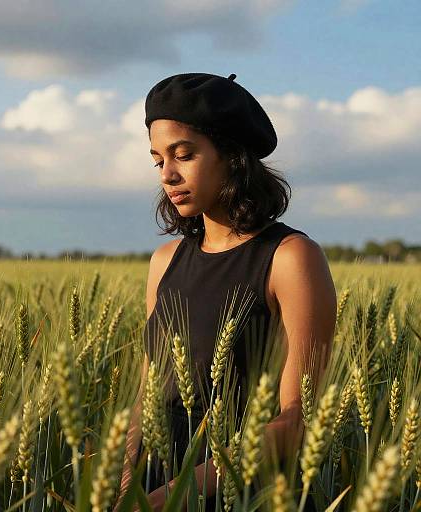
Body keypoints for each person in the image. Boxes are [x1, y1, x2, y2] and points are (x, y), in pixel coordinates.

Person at [115, 72, 336, 511]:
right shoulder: (164, 262)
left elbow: (300, 418)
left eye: (184, 155)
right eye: (159, 160)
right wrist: (125, 485)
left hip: (246, 489)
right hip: (157, 479)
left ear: (233, 157)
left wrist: (177, 496)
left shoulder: (290, 257)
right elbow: (148, 393)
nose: (168, 175)